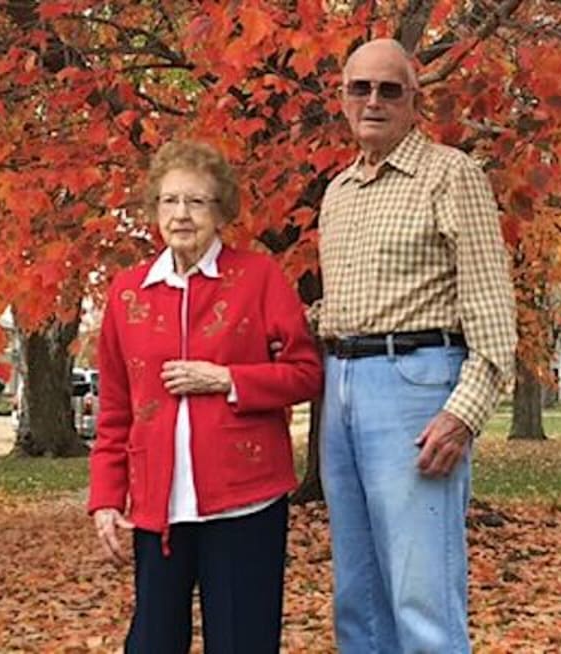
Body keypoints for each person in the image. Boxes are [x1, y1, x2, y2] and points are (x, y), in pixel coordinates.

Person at [317, 39, 517, 653]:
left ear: (414, 100)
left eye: (389, 89)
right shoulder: (338, 193)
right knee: (358, 596)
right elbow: (341, 308)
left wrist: (462, 415)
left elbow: (492, 312)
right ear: (343, 98)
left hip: (416, 388)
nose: (373, 101)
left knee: (420, 594)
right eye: (360, 88)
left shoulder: (451, 174)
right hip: (339, 390)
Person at [88, 140, 323, 654]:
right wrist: (106, 497)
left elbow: (306, 373)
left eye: (197, 202)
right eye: (169, 201)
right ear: (154, 210)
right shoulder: (127, 293)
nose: (182, 214)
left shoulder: (258, 278)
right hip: (158, 504)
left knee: (243, 643)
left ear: (221, 212)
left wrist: (228, 380)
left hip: (246, 500)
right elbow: (115, 408)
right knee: (152, 643)